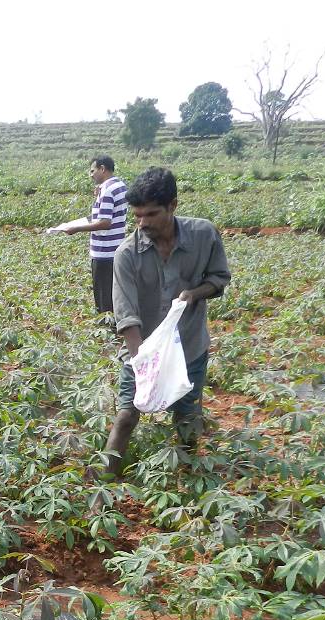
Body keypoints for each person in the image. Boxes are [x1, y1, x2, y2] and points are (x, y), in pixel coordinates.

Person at [100, 166, 231, 478]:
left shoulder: (203, 235)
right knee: (127, 415)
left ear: (173, 205)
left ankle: (186, 477)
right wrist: (143, 363)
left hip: (189, 345)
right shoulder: (126, 254)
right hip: (142, 350)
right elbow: (127, 316)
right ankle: (105, 480)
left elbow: (219, 279)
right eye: (137, 216)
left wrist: (195, 293)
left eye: (151, 214)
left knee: (187, 417)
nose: (142, 223)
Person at [60, 156, 128, 319]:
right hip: (116, 247)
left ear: (102, 169)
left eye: (93, 170)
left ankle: (108, 332)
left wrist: (76, 228)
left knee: (104, 298)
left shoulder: (107, 190)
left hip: (104, 252)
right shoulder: (119, 185)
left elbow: (104, 223)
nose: (91, 175)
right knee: (113, 293)